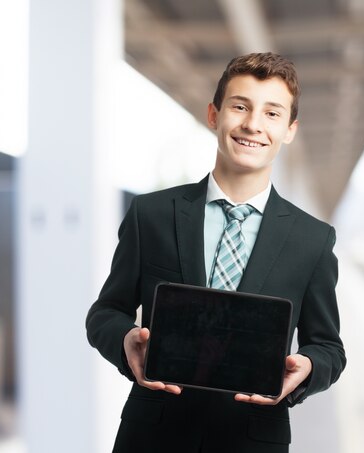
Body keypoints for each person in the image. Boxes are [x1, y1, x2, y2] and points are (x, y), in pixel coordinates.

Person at [86, 52, 346, 453]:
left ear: (290, 129)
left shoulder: (313, 239)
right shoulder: (151, 214)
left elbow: (328, 346)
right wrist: (124, 342)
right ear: (214, 114)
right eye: (240, 106)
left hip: (253, 438)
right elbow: (105, 312)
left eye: (272, 114)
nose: (252, 124)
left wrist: (308, 368)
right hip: (152, 435)